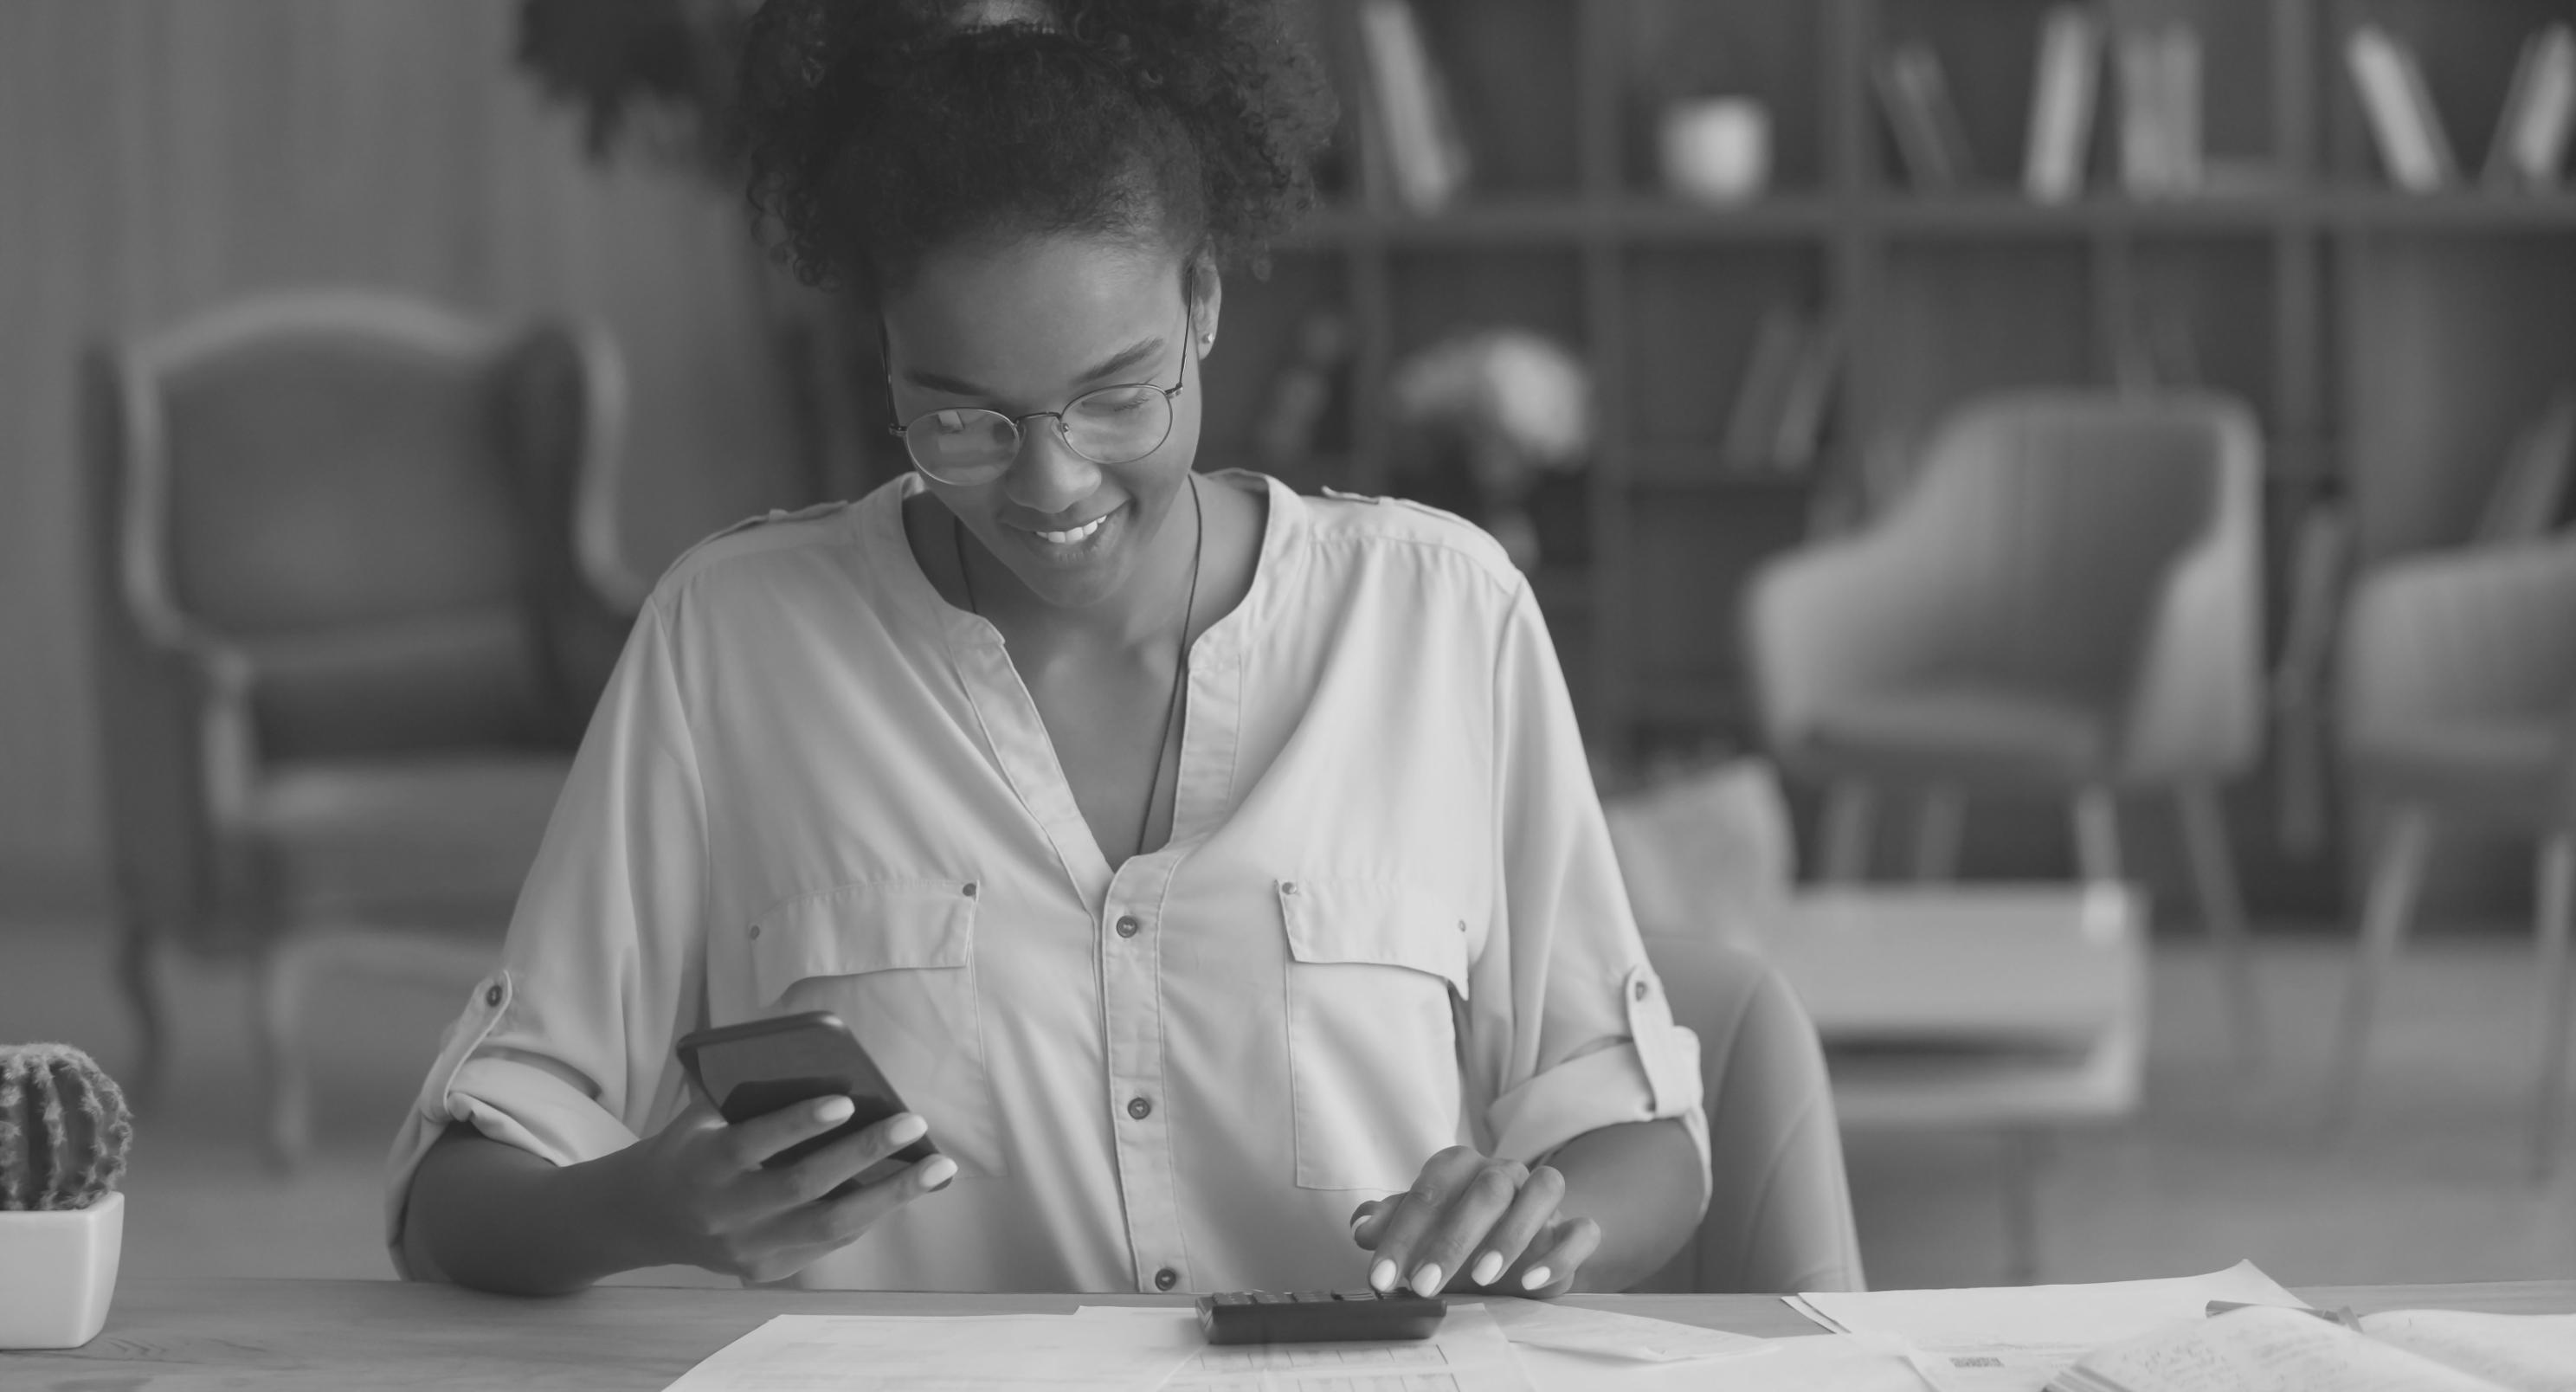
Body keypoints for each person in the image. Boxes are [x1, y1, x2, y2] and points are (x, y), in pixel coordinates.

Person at [389, 0, 1708, 1299]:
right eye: (959, 419)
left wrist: (1529, 1218)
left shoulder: (1439, 619)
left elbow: (1639, 1138)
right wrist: (642, 1208)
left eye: (1117, 397)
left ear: (1201, 303)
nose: (1051, 484)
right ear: (886, 358)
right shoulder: (731, 646)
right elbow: (454, 1196)